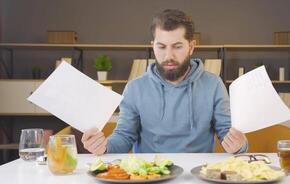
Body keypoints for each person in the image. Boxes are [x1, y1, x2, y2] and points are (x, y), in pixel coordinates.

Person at [81, 9, 248, 155]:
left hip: (198, 176)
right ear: (153, 46)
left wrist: (239, 145)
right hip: (149, 176)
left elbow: (228, 133)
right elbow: (124, 136)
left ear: (191, 46)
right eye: (161, 47)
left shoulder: (213, 85)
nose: (169, 56)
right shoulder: (135, 88)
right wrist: (104, 147)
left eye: (177, 46)